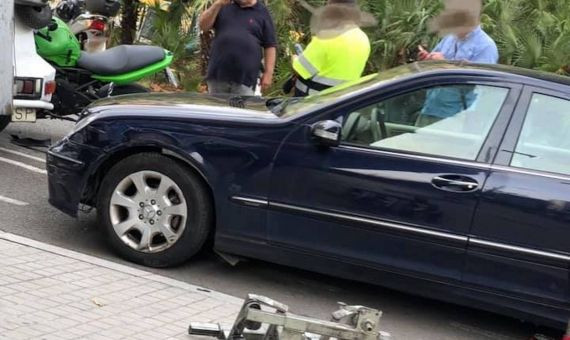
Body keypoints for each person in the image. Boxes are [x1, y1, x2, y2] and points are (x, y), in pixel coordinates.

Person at [416, 0, 498, 126]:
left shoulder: (486, 46)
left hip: (455, 118)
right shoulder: (450, 38)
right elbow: (435, 62)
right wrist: (427, 58)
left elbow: (480, 83)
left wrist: (444, 63)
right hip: (430, 108)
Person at [291, 0, 372, 97]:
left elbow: (300, 70)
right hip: (342, 101)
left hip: (313, 102)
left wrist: (294, 59)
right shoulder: (363, 38)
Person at [199, 0, 277, 96]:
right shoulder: (223, 7)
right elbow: (203, 26)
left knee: (241, 110)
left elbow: (270, 46)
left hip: (245, 79)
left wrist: (268, 73)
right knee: (218, 110)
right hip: (218, 76)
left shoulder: (262, 12)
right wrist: (217, 4)